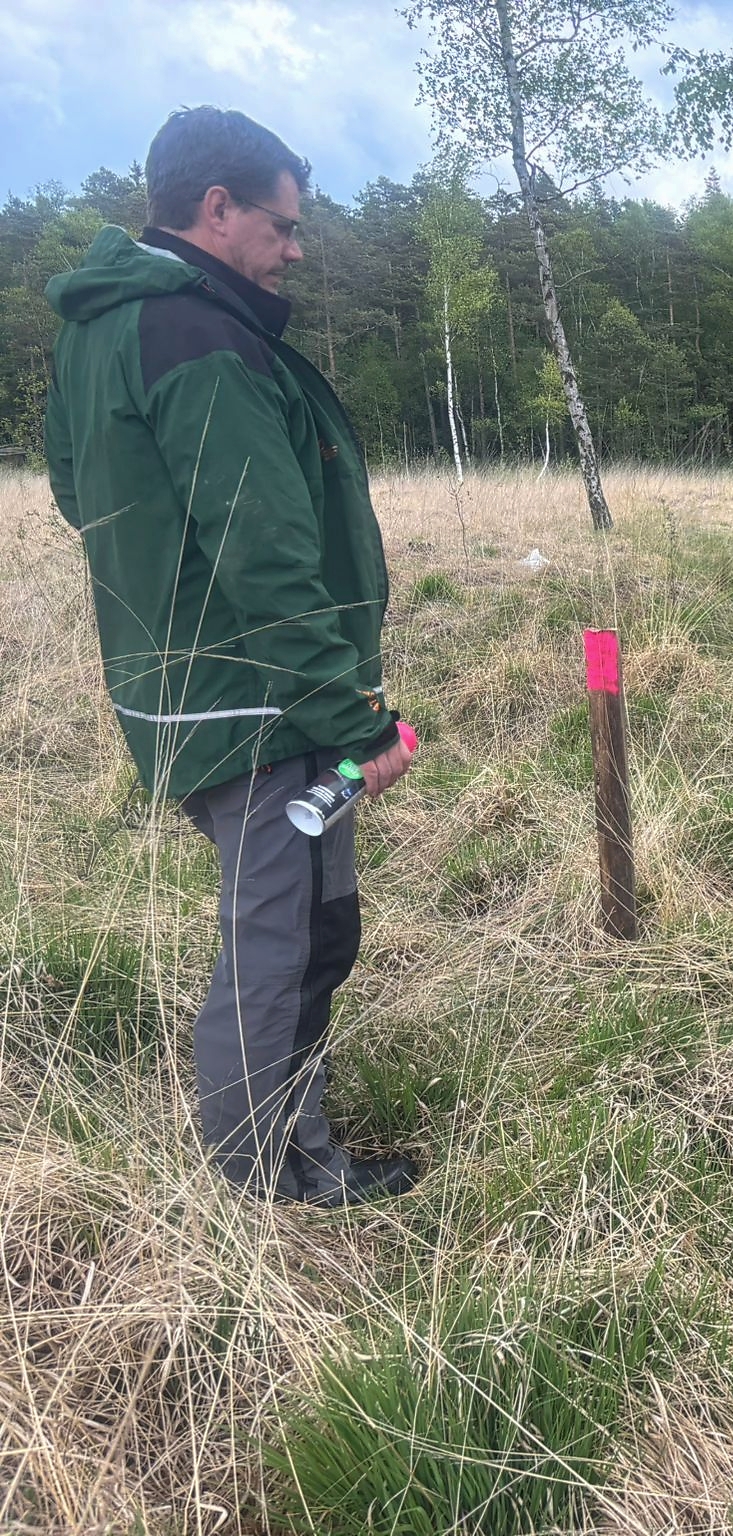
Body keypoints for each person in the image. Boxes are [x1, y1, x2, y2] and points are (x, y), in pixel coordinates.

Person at [44, 107, 417, 1206]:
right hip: (256, 707)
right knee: (283, 942)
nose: (295, 247)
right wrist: (354, 722)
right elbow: (265, 557)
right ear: (217, 209)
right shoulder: (201, 340)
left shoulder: (100, 327)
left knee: (301, 925)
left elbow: (78, 493)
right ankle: (268, 1184)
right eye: (282, 223)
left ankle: (292, 1148)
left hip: (183, 691)